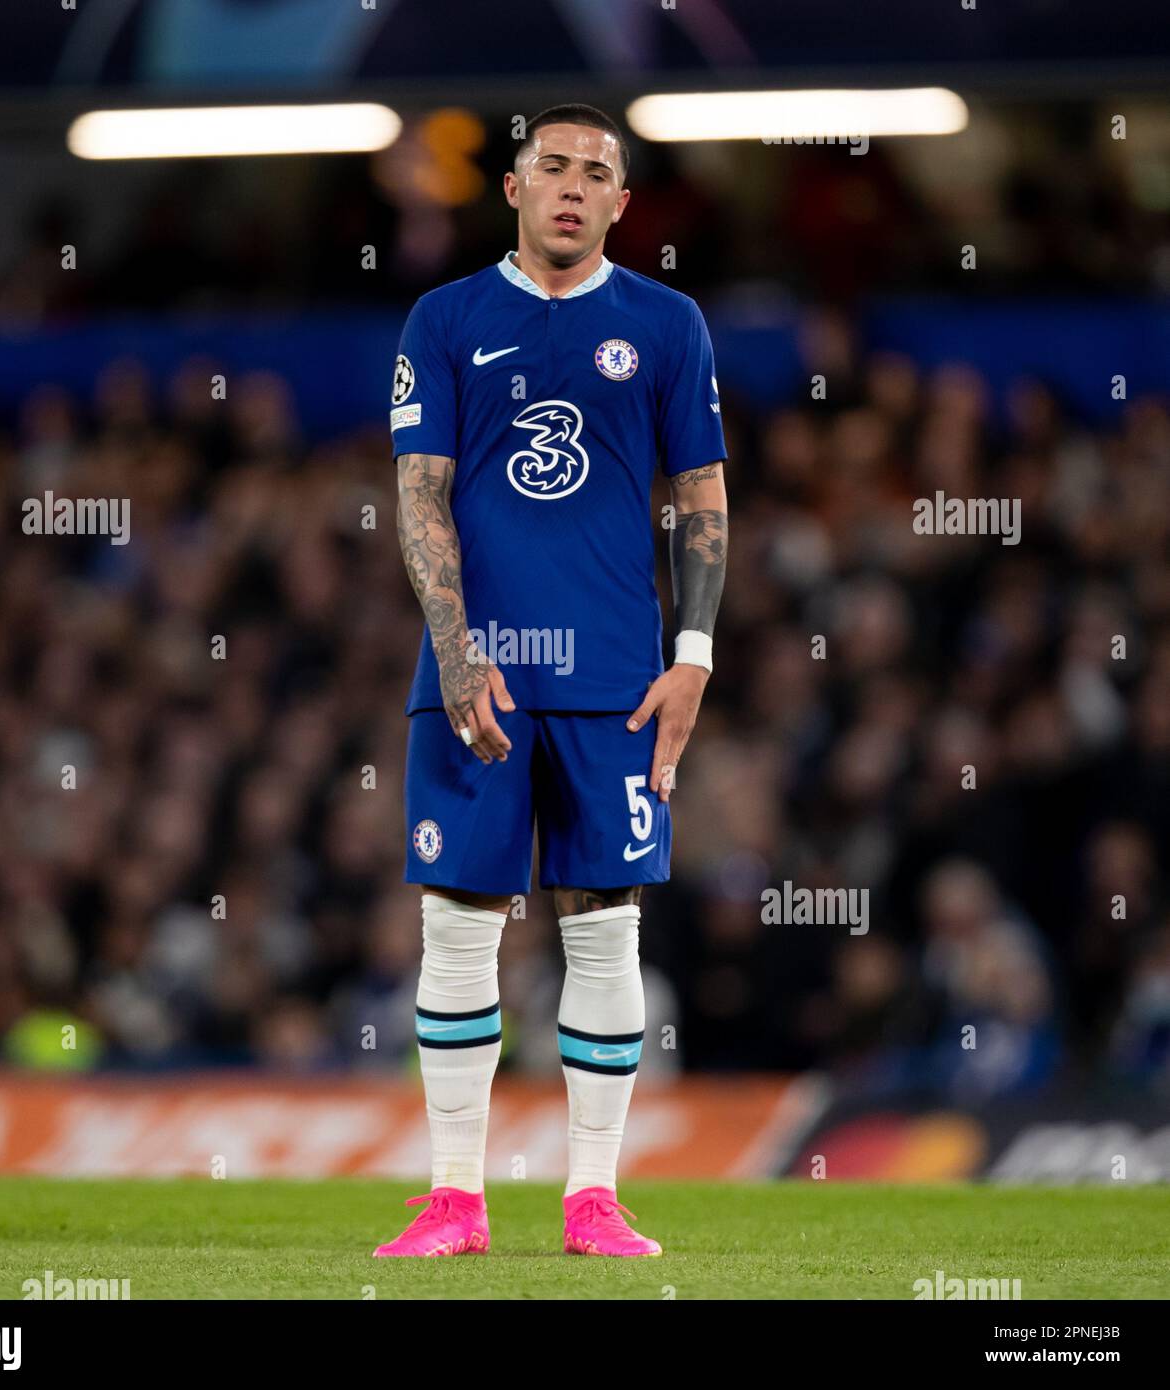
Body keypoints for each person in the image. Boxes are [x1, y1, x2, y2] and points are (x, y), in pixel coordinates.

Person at [380, 103, 728, 1258]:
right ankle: (453, 1199)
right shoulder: (444, 317)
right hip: (476, 677)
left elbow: (701, 501)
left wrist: (693, 657)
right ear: (515, 190)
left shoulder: (668, 323)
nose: (574, 187)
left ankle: (592, 1198)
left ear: (623, 204)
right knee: (458, 927)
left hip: (617, 678)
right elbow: (421, 494)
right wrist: (458, 644)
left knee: (602, 929)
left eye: (599, 174)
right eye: (553, 168)